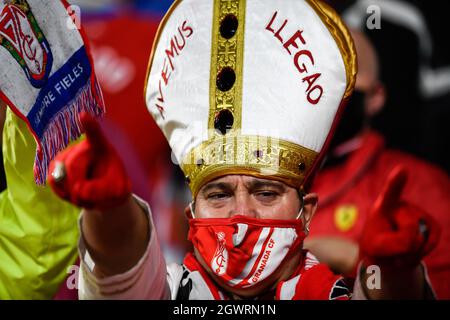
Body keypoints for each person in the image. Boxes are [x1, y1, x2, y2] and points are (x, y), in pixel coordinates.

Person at [48, 0, 439, 300]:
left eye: (266, 193)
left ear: (308, 214)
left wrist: (394, 268)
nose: (241, 216)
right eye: (218, 195)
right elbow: (121, 267)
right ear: (190, 214)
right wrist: (110, 210)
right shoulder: (168, 291)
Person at [305, 30, 450, 299]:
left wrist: (361, 263)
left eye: (344, 79)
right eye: (313, 78)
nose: (324, 90)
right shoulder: (263, 176)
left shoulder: (419, 184)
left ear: (375, 96)